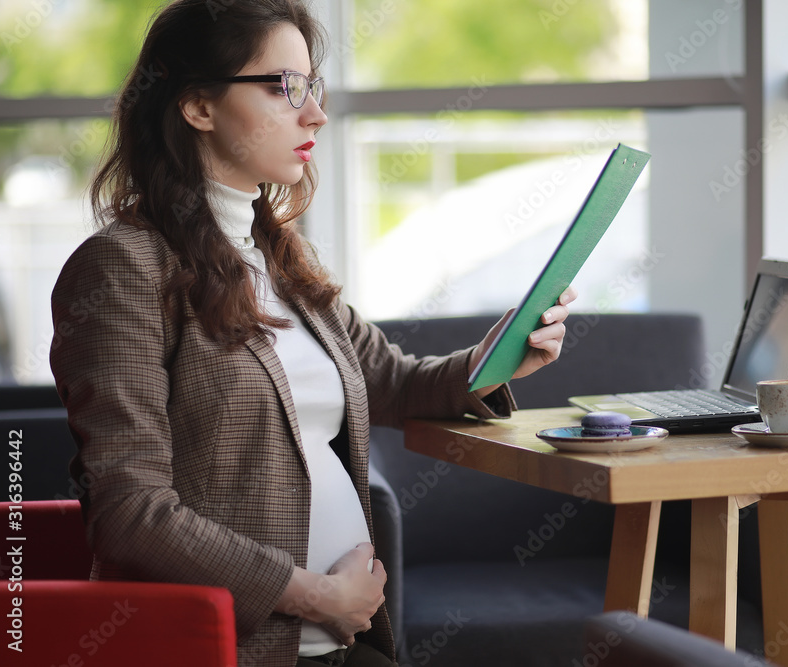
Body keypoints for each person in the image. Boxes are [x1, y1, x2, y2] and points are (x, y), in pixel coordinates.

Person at [48, 1, 576, 666]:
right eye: (282, 87)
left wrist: (497, 357)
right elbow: (130, 511)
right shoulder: (121, 267)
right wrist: (311, 594)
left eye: (311, 85)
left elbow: (392, 381)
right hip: (235, 648)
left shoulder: (280, 254)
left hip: (338, 639)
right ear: (197, 106)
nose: (314, 113)